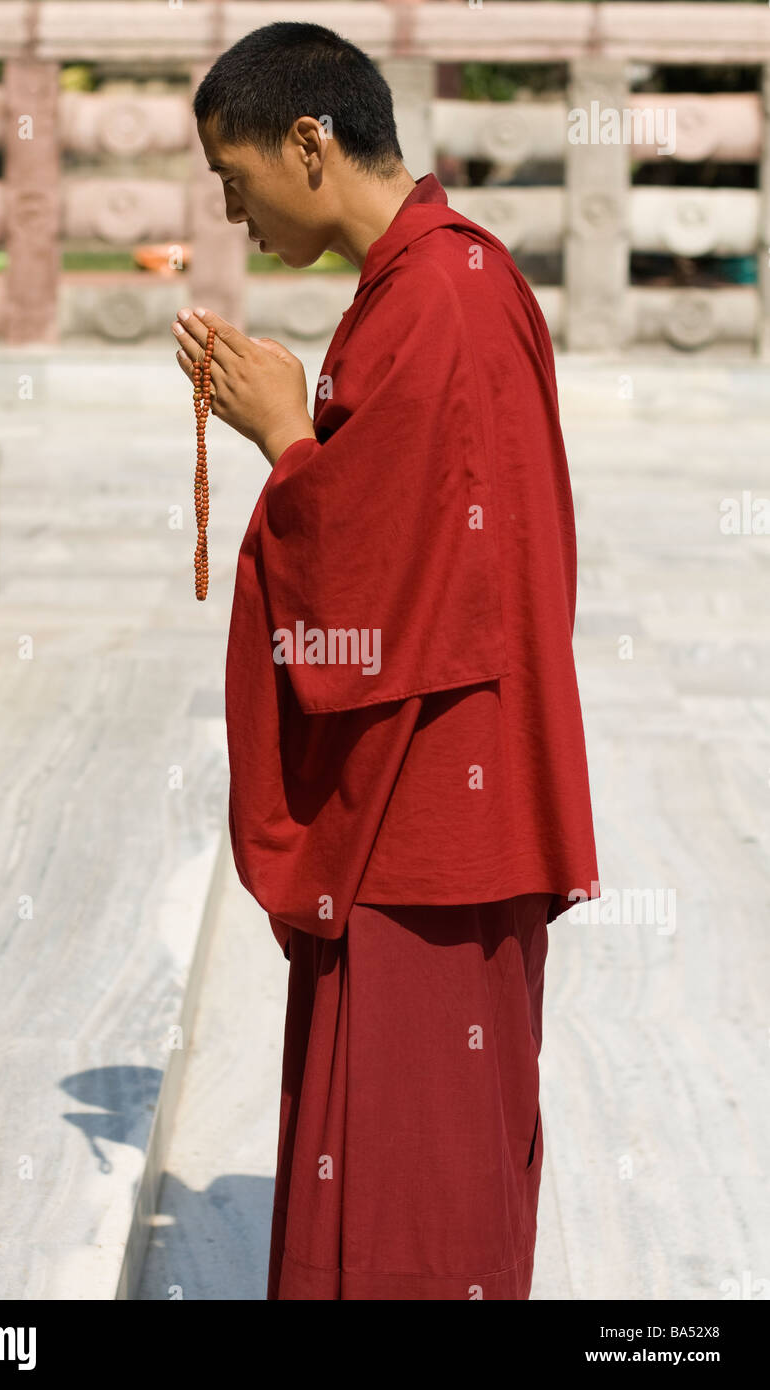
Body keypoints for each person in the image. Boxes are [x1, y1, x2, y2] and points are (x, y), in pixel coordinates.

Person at [171, 21, 600, 1301]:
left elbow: (373, 586)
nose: (231, 211)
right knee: (396, 1162)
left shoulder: (438, 299)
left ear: (311, 141)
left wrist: (286, 441)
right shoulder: (437, 283)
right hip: (436, 798)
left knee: (415, 1187)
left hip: (435, 820)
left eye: (235, 177)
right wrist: (306, 435)